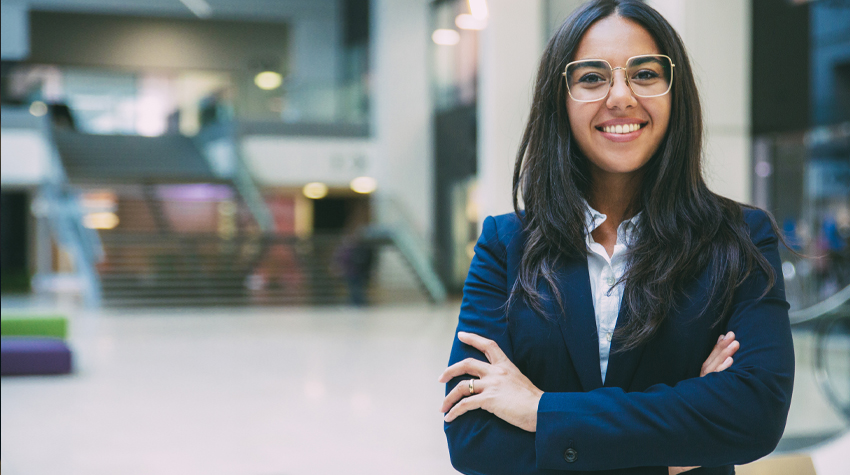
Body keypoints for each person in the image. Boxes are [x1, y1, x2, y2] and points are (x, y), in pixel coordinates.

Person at [438, 1, 795, 474]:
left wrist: (540, 410)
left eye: (645, 74)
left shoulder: (739, 239)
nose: (621, 96)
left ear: (675, 91)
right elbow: (474, 439)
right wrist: (678, 446)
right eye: (591, 78)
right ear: (559, 99)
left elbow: (754, 415)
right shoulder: (506, 244)